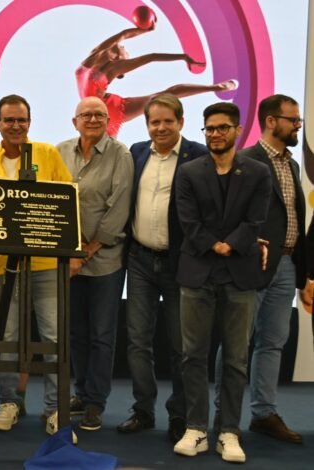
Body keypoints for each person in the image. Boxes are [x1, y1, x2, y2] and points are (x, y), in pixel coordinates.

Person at [0, 94, 73, 434]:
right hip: (0, 267)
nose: (15, 126)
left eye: (21, 120)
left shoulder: (48, 154)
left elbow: (67, 202)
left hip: (45, 265)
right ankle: (9, 402)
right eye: (8, 120)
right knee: (7, 337)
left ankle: (56, 410)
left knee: (54, 338)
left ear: (30, 122)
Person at [173, 102, 271, 464]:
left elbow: (256, 218)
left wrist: (232, 244)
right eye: (209, 128)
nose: (215, 134)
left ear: (237, 130)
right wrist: (213, 244)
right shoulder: (189, 171)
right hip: (197, 271)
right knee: (192, 355)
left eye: (222, 128)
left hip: (240, 273)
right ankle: (196, 429)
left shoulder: (258, 172)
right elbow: (187, 218)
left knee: (235, 359)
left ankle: (229, 431)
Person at [214, 95, 305, 444]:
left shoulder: (291, 165)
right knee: (237, 342)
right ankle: (226, 416)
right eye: (292, 120)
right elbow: (229, 216)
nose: (297, 126)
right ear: (270, 121)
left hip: (286, 263)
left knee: (273, 342)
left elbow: (293, 216)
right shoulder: (245, 160)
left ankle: (263, 413)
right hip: (251, 265)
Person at [118, 94, 207, 443]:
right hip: (139, 258)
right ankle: (143, 410)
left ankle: (180, 414)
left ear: (181, 122)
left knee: (180, 345)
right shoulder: (137, 152)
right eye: (154, 121)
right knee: (137, 341)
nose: (161, 127)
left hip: (178, 263)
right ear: (147, 125)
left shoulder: (197, 156)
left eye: (168, 121)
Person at [57, 96, 133, 432]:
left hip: (104, 260)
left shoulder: (122, 155)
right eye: (86, 114)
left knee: (102, 334)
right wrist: (68, 254)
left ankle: (95, 403)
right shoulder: (59, 152)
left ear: (108, 121)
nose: (93, 119)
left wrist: (85, 252)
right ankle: (81, 392)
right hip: (67, 260)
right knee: (76, 332)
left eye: (99, 115)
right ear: (74, 121)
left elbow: (118, 208)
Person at [77, 24, 237, 137]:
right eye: (127, 50)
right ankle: (216, 87)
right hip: (101, 110)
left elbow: (151, 56)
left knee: (162, 96)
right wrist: (144, 29)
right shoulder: (96, 55)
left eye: (127, 53)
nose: (126, 50)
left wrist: (182, 57)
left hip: (106, 108)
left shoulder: (112, 67)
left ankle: (216, 87)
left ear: (120, 59)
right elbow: (123, 35)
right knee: (105, 157)